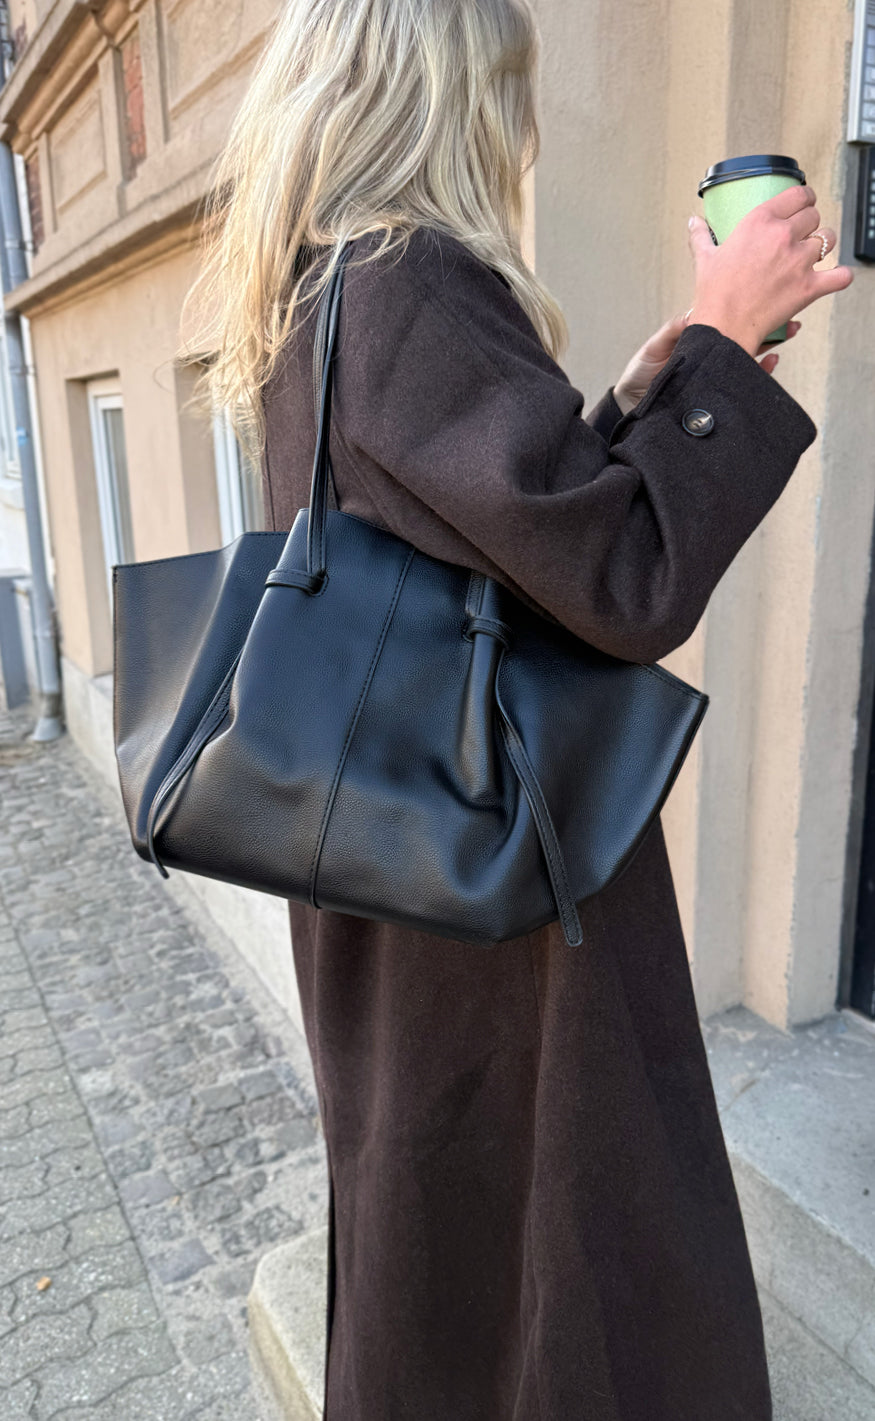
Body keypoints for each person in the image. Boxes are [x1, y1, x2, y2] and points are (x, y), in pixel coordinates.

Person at [182, 1, 854, 1417]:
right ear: (448, 95)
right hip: (495, 878)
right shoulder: (412, 278)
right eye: (504, 86)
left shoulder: (317, 289)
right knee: (568, 1243)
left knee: (439, 1227)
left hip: (393, 848)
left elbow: (473, 537)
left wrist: (640, 400)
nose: (519, 125)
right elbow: (617, 577)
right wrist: (727, 341)